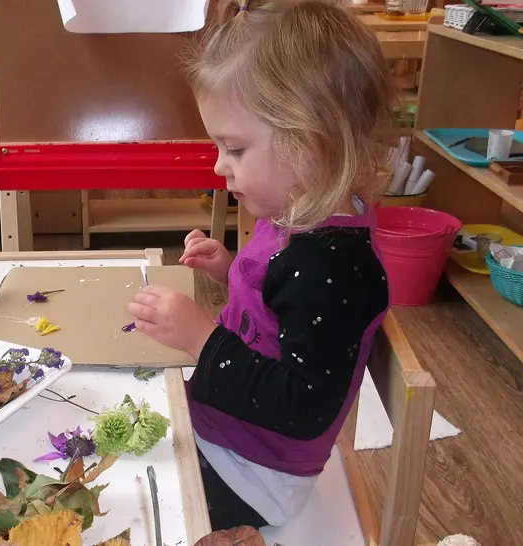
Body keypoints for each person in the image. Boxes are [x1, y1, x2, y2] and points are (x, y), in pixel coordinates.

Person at [127, 0, 394, 532]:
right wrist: (230, 270)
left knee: (129, 504)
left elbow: (304, 405)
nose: (219, 165)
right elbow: (284, 308)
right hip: (228, 431)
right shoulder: (296, 215)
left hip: (253, 475)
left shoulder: (335, 267)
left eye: (235, 148)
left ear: (311, 140)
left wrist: (203, 340)